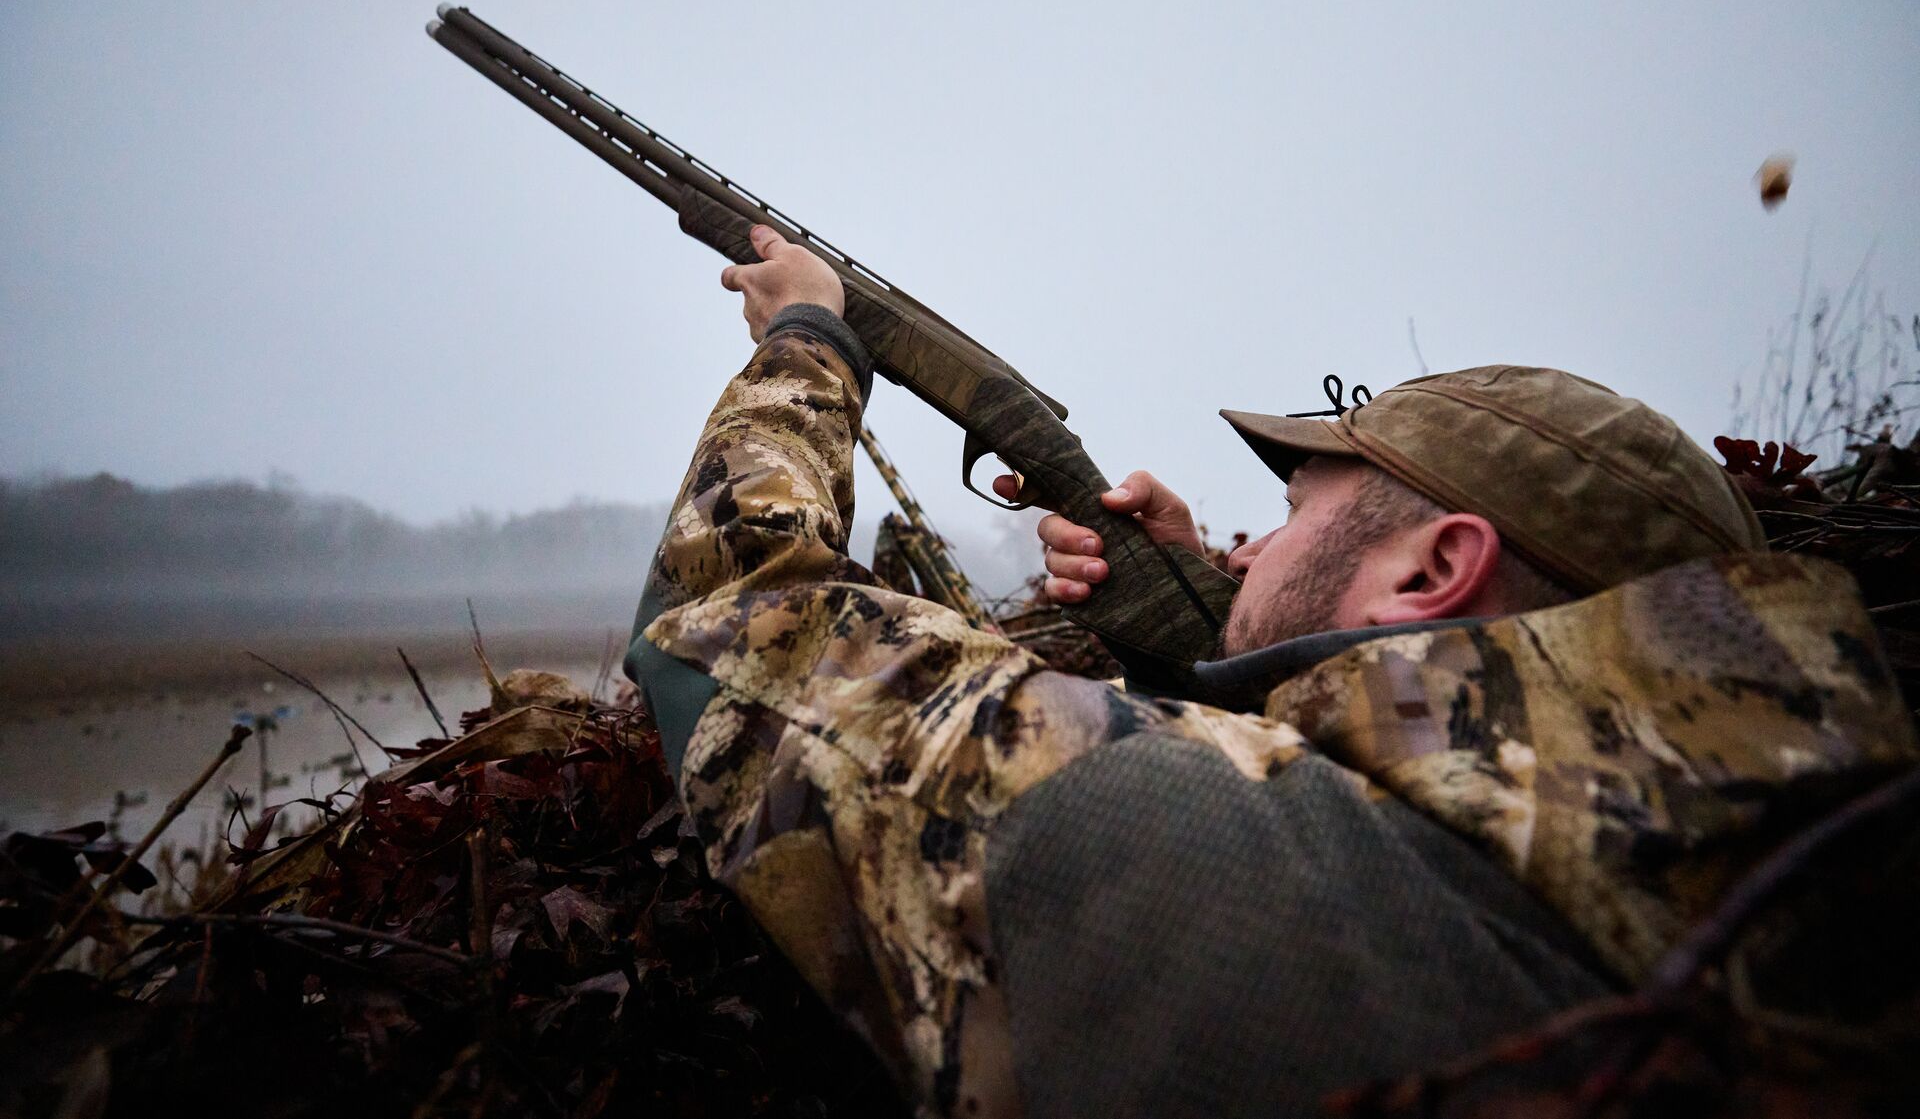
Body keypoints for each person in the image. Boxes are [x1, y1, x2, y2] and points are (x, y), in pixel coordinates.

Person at [624, 225, 1916, 1118]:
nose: (1253, 540)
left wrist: (808, 339)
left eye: (1301, 503)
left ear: (1434, 568)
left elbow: (726, 622)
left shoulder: (1191, 830)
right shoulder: (1769, 910)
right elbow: (1417, 797)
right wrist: (1220, 625)